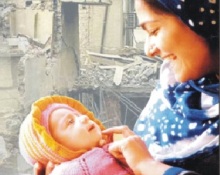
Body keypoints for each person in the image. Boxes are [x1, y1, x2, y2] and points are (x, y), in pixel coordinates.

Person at [34, 0, 219, 175]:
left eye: (154, 30)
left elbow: (144, 163)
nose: (149, 50)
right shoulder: (174, 87)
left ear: (201, 18)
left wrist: (146, 165)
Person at [19, 95, 134, 175]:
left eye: (78, 115)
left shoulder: (109, 150)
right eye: (70, 122)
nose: (84, 117)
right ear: (55, 150)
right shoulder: (77, 169)